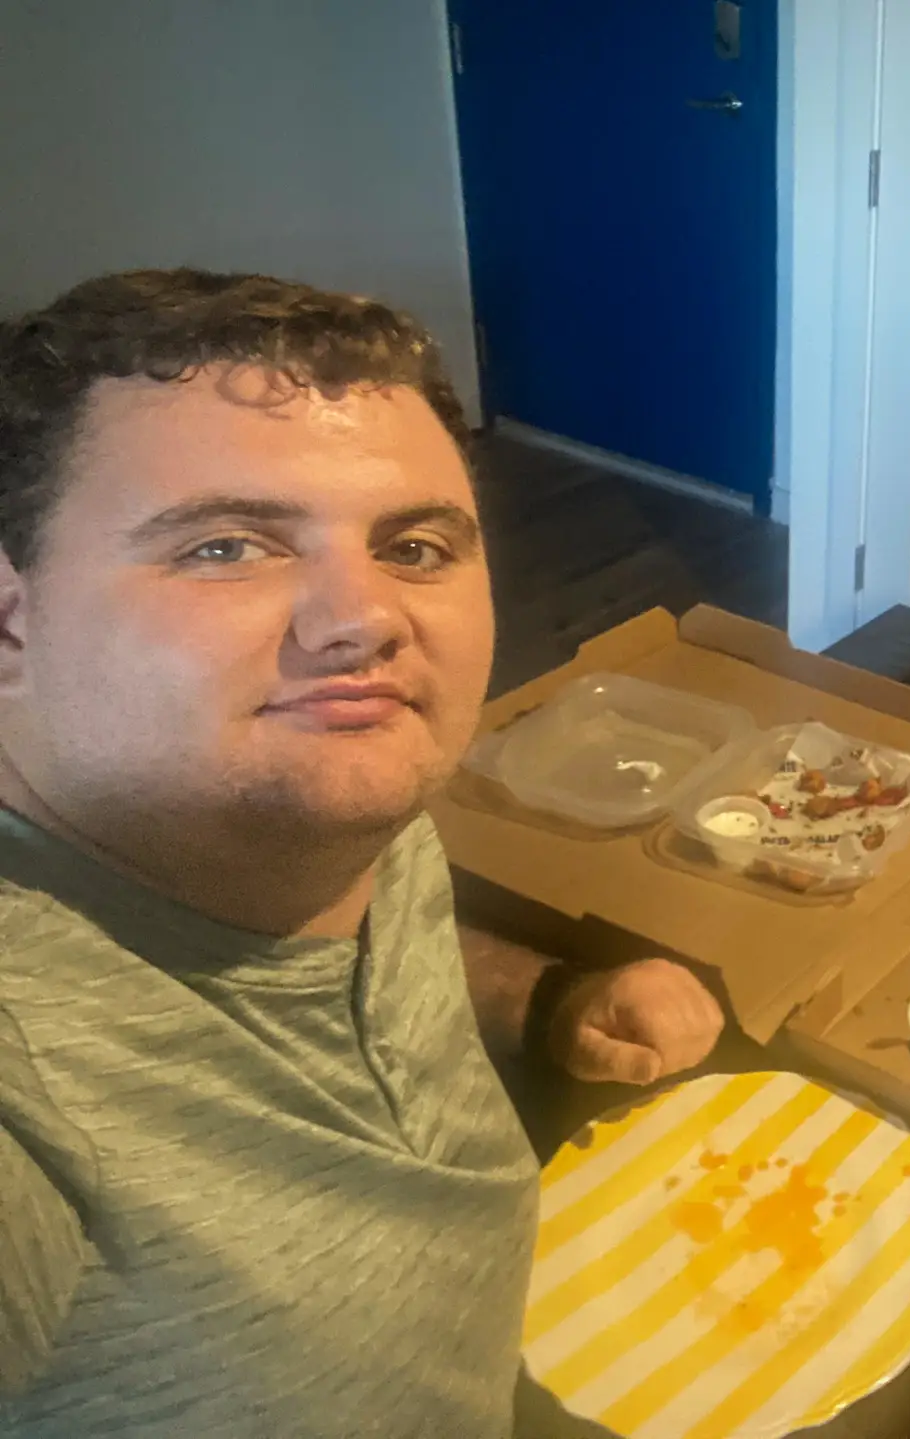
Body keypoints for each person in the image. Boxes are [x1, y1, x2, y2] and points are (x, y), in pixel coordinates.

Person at [0, 270, 725, 1435]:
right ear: (11, 623)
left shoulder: (313, 808)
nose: (364, 615)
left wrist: (544, 999)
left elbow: (356, 941)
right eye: (227, 545)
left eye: (418, 546)